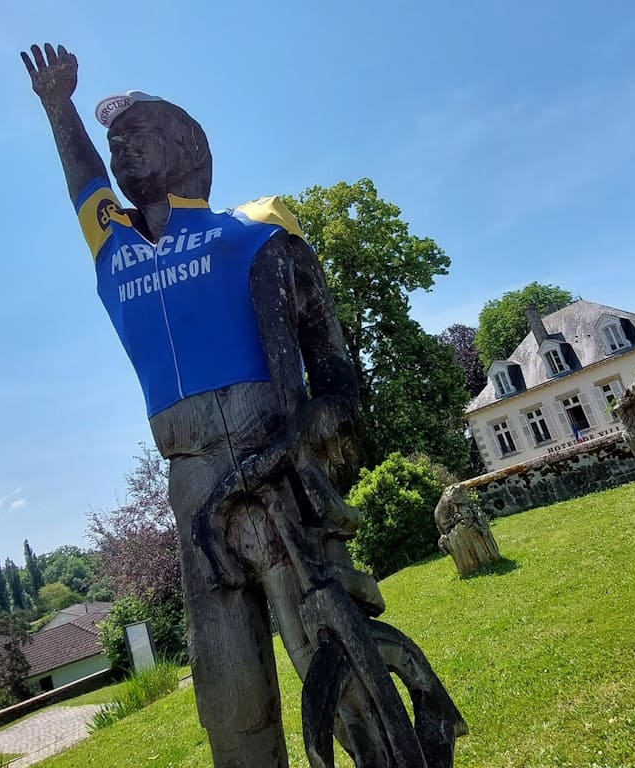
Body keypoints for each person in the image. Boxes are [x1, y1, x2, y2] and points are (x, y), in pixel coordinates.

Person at [21, 43, 378, 765]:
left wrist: (318, 422)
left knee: (327, 644)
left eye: (137, 135)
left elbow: (328, 358)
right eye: (114, 143)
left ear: (184, 146)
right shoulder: (112, 244)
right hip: (188, 478)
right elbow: (83, 180)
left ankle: (382, 745)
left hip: (270, 456)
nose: (120, 150)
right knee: (229, 685)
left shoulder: (252, 230)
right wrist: (59, 110)